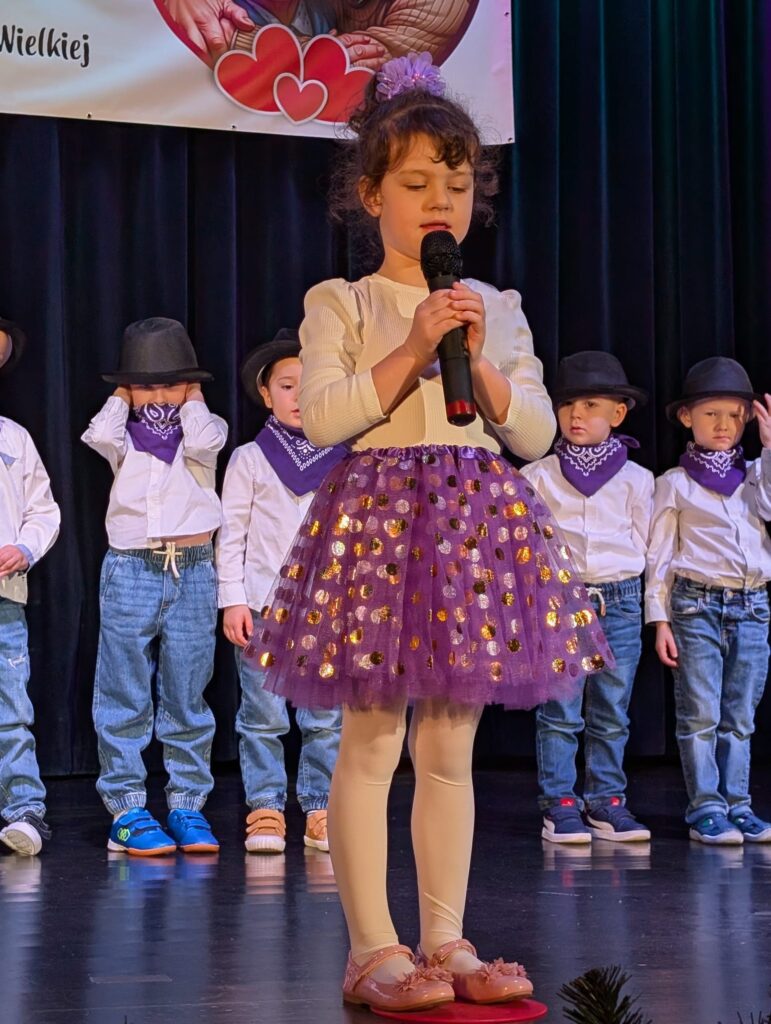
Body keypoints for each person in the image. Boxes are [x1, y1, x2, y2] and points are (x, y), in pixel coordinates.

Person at [244, 54, 613, 1013]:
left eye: (455, 183)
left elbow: (532, 434)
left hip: (472, 531)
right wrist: (413, 346)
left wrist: (478, 363)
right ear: (371, 194)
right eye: (414, 184)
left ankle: (445, 940)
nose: (438, 200)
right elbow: (327, 415)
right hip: (376, 528)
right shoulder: (341, 301)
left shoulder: (497, 309)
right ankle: (373, 948)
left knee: (449, 746)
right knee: (370, 742)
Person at [82, 318, 227, 856]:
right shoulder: (123, 436)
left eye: (171, 383)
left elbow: (207, 440)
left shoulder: (203, 429)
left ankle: (187, 804)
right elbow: (98, 434)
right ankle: (126, 808)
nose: (159, 395)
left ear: (190, 385)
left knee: (187, 693)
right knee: (124, 690)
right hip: (132, 567)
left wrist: (192, 398)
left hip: (192, 570)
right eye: (146, 385)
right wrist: (123, 396)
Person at [216, 329, 345, 854]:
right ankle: (266, 806)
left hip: (325, 609)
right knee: (262, 717)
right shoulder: (250, 458)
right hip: (264, 605)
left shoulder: (345, 459)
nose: (299, 396)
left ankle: (320, 806)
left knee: (325, 718)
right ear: (266, 395)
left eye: (310, 385)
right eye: (288, 386)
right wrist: (232, 599)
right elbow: (232, 533)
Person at [520, 352, 653, 844]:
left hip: (620, 598)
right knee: (560, 710)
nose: (577, 415)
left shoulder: (638, 479)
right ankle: (559, 803)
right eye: (568, 404)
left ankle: (607, 801)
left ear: (617, 413)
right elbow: (527, 546)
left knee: (611, 709)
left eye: (591, 405)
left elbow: (645, 543)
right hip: (561, 598)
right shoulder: (538, 475)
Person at [646, 357, 771, 844]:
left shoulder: (755, 474)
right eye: (711, 414)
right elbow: (660, 556)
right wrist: (659, 619)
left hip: (752, 606)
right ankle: (706, 808)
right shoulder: (674, 483)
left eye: (736, 415)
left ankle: (738, 804)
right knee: (701, 713)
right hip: (696, 606)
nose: (724, 425)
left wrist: (769, 447)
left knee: (740, 716)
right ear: (687, 417)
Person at [0, 318, 60, 856]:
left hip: (3, 597)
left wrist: (25, 547)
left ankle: (23, 810)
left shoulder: (13, 437)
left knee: (10, 709)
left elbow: (44, 508)